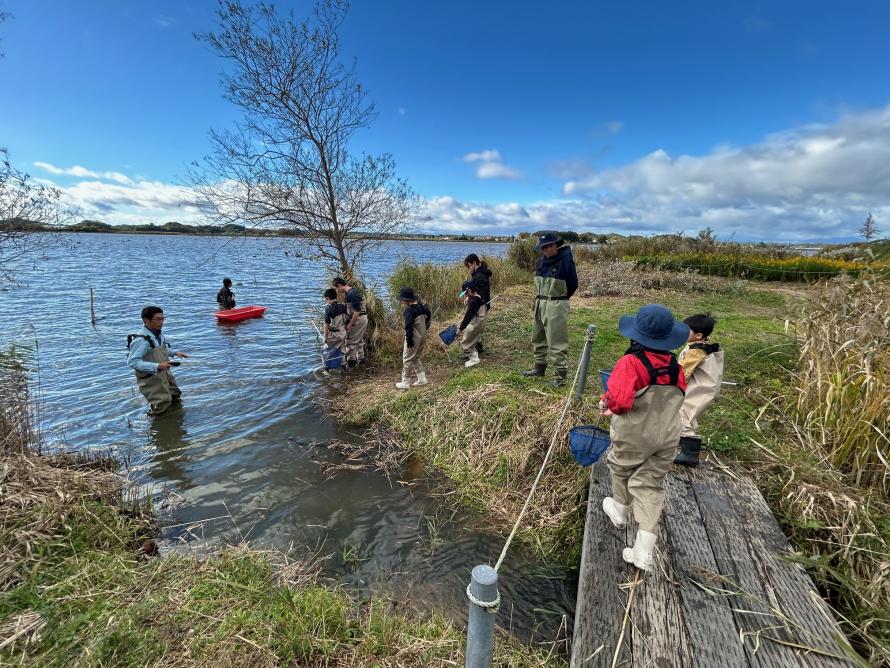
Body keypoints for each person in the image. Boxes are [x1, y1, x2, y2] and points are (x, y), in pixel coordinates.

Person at [599, 304, 689, 572]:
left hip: (635, 434)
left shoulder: (631, 363)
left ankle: (620, 510)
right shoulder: (676, 366)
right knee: (649, 486)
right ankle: (644, 552)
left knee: (620, 467)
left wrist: (607, 404)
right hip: (669, 435)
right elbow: (679, 395)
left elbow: (621, 401)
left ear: (636, 335)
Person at [522, 232, 578, 387]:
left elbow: (573, 284)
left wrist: (559, 299)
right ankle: (539, 368)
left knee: (556, 340)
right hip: (540, 302)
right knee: (537, 336)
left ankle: (560, 377)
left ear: (556, 245)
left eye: (550, 246)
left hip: (556, 303)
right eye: (544, 247)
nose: (547, 249)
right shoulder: (540, 261)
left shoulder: (565, 261)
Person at [675, 313, 725, 467]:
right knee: (685, 414)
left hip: (699, 388)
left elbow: (683, 372)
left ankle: (690, 454)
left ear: (698, 335)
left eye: (686, 330)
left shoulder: (696, 352)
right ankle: (682, 446)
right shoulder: (701, 345)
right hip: (703, 386)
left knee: (686, 414)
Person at [127, 306, 190, 416]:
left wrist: (174, 353)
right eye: (158, 319)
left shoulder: (158, 334)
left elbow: (161, 349)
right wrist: (157, 366)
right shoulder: (141, 340)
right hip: (151, 378)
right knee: (161, 404)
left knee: (175, 395)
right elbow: (132, 362)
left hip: (164, 373)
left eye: (163, 319)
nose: (161, 322)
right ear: (146, 320)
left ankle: (176, 420)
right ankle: (159, 427)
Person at [396, 287, 431, 389]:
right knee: (415, 357)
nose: (402, 302)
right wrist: (425, 328)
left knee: (407, 358)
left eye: (402, 300)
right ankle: (422, 379)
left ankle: (405, 381)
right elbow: (429, 316)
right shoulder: (422, 306)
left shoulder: (409, 311)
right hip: (422, 336)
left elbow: (408, 327)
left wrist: (409, 342)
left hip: (414, 338)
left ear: (406, 300)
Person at [332, 277, 369, 365]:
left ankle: (351, 364)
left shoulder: (351, 294)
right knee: (359, 341)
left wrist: (350, 325)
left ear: (340, 285)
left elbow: (357, 312)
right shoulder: (351, 292)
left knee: (350, 342)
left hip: (359, 319)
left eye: (337, 288)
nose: (337, 290)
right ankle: (361, 361)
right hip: (361, 318)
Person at [463, 253, 493, 355]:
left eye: (469, 266)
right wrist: (468, 296)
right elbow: (475, 289)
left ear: (474, 263)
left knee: (474, 327)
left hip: (481, 306)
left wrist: (472, 298)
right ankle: (478, 345)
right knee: (479, 327)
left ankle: (470, 350)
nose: (469, 269)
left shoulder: (480, 276)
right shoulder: (478, 273)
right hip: (481, 304)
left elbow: (482, 294)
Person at [457, 280, 486, 368]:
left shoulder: (473, 302)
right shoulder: (478, 297)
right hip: (480, 323)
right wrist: (469, 298)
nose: (465, 295)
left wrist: (460, 328)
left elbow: (468, 317)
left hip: (475, 324)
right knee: (472, 341)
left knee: (465, 343)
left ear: (470, 290)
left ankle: (474, 359)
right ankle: (474, 356)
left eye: (466, 293)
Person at [322, 288, 349, 361]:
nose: (326, 301)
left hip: (334, 335)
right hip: (343, 333)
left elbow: (326, 323)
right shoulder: (343, 306)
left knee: (327, 351)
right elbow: (347, 320)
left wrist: (325, 337)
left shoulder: (328, 308)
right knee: (342, 351)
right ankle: (344, 367)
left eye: (326, 299)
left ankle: (326, 369)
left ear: (328, 298)